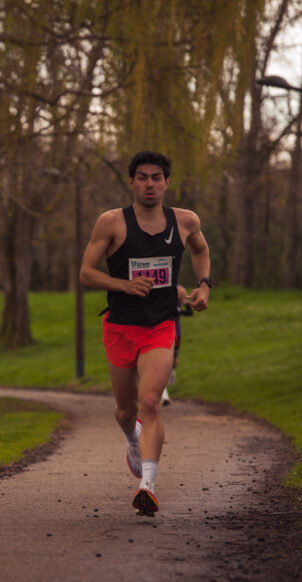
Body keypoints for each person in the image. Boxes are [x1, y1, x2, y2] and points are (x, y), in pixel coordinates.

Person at [79, 150, 211, 517]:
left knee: (150, 402)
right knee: (125, 411)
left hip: (160, 325)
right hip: (121, 326)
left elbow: (201, 249)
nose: (150, 184)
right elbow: (86, 273)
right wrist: (122, 284)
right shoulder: (111, 223)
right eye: (142, 177)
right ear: (132, 182)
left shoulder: (184, 221)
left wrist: (204, 285)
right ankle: (132, 441)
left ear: (167, 182)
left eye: (156, 177)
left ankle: (147, 486)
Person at [161, 284, 193, 407]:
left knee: (173, 360)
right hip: (158, 331)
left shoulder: (181, 291)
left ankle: (172, 371)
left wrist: (177, 311)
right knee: (161, 363)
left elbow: (189, 312)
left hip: (175, 331)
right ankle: (164, 395)